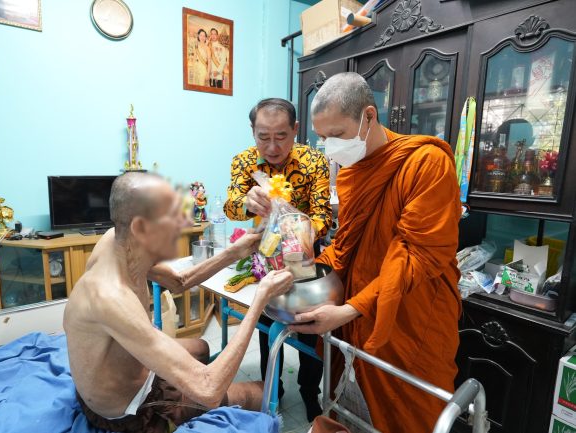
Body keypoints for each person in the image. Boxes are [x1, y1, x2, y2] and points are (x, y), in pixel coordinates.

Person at [290, 72, 462, 433]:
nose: (329, 147)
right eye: (322, 138)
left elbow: (419, 256)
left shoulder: (426, 162)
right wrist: (303, 274)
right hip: (356, 312)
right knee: (350, 410)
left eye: (337, 134)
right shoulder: (352, 171)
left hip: (411, 316)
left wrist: (348, 310)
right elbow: (346, 245)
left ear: (369, 116)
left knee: (409, 414)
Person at [64, 172, 294, 433]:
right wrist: (259, 299)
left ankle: (187, 385)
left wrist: (234, 252)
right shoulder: (110, 296)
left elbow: (179, 281)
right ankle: (178, 410)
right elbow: (209, 389)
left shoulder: (117, 240)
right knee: (261, 391)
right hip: (132, 408)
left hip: (131, 370)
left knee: (201, 347)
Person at [223, 98, 332, 421]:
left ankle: (309, 391)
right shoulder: (244, 162)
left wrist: (297, 233)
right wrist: (246, 202)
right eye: (263, 137)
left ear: (296, 129)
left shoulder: (314, 161)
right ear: (252, 131)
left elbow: (323, 215)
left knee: (310, 326)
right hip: (265, 258)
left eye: (281, 136)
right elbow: (231, 207)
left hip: (305, 257)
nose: (272, 147)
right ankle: (273, 388)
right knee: (268, 323)